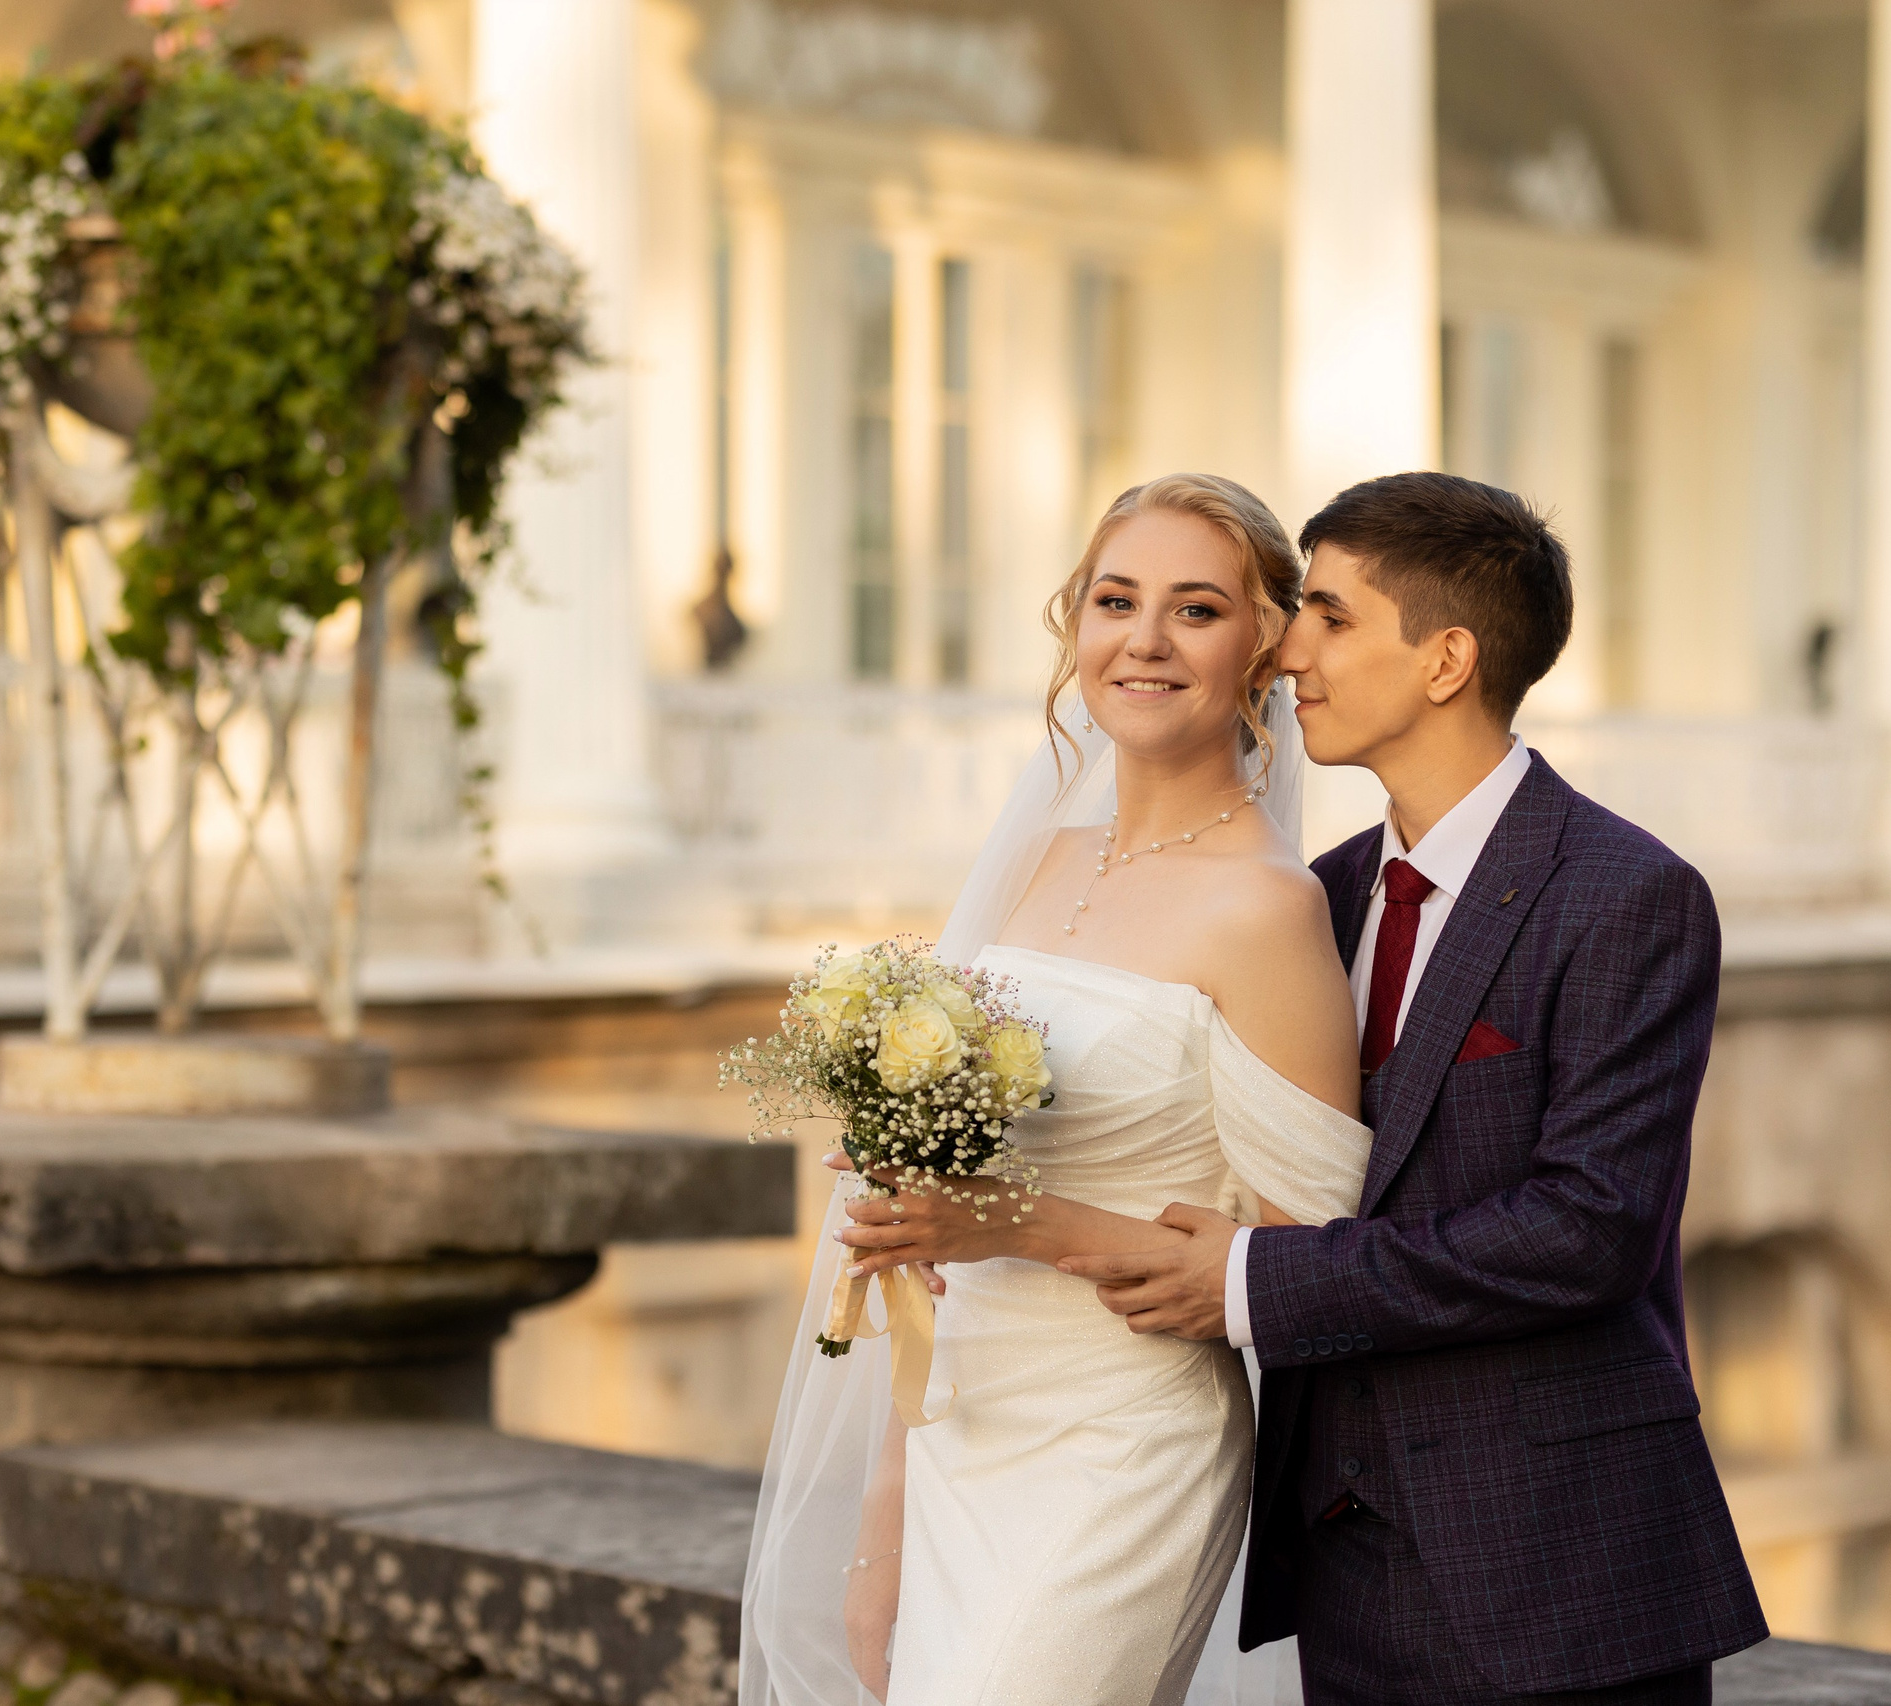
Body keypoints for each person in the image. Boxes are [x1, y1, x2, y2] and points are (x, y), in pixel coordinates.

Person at [1062, 472, 1767, 1703]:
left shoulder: (1626, 893)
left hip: (1559, 1571)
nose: (1285, 650)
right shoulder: (1317, 896)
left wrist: (1247, 1279)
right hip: (1344, 1555)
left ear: (1445, 659)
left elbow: (1585, 1230)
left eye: (1329, 616)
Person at [736, 473, 1372, 1705]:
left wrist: (1016, 1222)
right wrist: (885, 1519)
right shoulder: (1029, 862)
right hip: (960, 1421)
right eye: (1113, 599)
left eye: (1195, 610)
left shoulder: (1271, 909)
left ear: (1263, 649)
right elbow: (931, 1255)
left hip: (1124, 1441)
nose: (1142, 639)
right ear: (1072, 622)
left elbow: (1316, 1259)